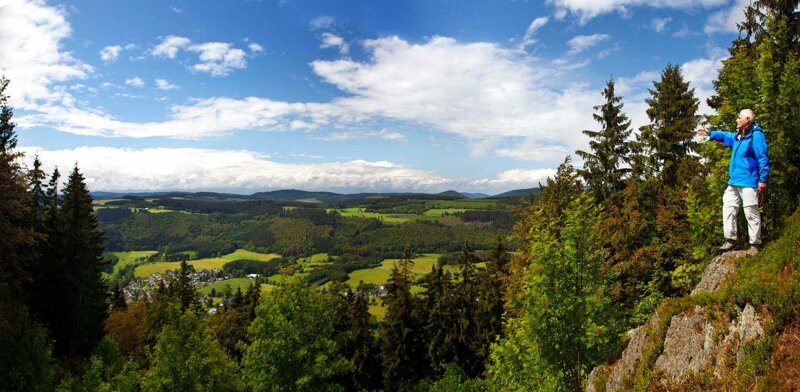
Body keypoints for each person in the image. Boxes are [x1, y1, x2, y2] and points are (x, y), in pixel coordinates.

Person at [697, 109, 770, 253]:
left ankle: (755, 245)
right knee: (728, 208)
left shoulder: (756, 136)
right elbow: (726, 136)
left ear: (748, 120)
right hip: (734, 181)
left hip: (749, 181)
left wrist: (763, 180)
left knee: (751, 212)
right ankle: (731, 240)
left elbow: (762, 158)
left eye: (739, 118)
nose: (737, 120)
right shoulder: (738, 136)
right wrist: (710, 133)